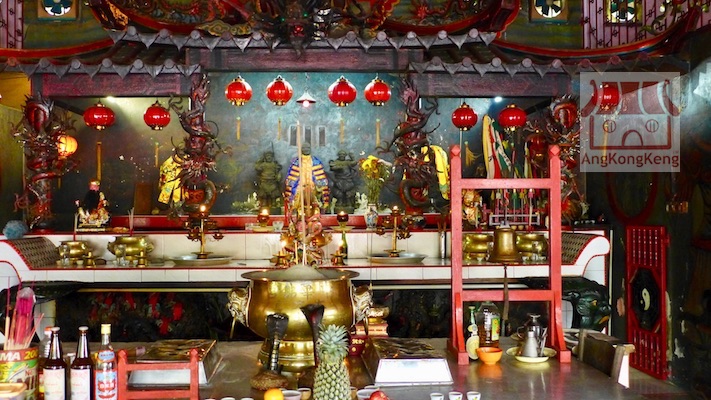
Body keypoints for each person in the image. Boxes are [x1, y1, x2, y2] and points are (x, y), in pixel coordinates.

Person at [284, 142, 330, 210]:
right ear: (301, 149)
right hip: (299, 187)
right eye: (304, 148)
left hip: (313, 187)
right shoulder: (296, 162)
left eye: (308, 148)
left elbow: (321, 179)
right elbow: (292, 178)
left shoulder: (316, 161)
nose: (306, 149)